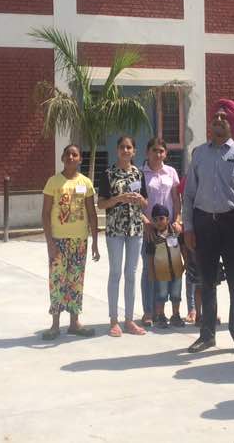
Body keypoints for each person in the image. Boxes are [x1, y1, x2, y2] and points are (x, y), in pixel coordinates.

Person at [182, 98, 234, 357]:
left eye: (224, 117)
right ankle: (207, 335)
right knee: (206, 282)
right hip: (204, 223)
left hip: (232, 224)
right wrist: (189, 227)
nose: (218, 120)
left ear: (233, 123)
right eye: (215, 116)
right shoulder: (199, 154)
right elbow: (189, 194)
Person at [41, 144, 99, 340]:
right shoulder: (53, 182)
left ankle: (74, 322)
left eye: (75, 154)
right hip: (58, 240)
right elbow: (46, 213)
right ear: (62, 158)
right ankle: (55, 325)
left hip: (79, 241)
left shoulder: (85, 183)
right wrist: (50, 242)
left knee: (76, 281)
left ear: (80, 159)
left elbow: (92, 213)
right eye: (68, 154)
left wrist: (95, 242)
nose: (71, 157)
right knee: (57, 281)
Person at [96, 135, 149, 338]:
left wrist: (139, 199)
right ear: (117, 150)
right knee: (116, 273)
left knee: (131, 274)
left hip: (135, 230)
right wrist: (119, 198)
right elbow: (101, 204)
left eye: (129, 147)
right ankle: (113, 320)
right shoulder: (108, 173)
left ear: (134, 151)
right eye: (122, 147)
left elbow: (146, 203)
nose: (125, 151)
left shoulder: (139, 174)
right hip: (115, 230)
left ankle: (129, 320)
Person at [139, 137, 181, 327]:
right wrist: (146, 222)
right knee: (150, 270)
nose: (158, 154)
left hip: (170, 230)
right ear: (147, 152)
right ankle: (148, 311)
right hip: (148, 230)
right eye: (154, 150)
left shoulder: (171, 172)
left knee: (169, 270)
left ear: (166, 153)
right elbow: (136, 202)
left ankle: (167, 312)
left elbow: (176, 198)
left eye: (161, 151)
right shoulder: (140, 174)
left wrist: (178, 220)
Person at [145, 203, 186, 327]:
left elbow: (183, 248)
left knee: (176, 294)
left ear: (168, 219)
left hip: (177, 270)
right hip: (161, 273)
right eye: (155, 219)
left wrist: (187, 263)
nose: (159, 222)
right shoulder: (152, 237)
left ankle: (176, 315)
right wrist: (151, 273)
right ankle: (161, 316)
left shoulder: (176, 232)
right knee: (161, 295)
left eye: (162, 218)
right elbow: (150, 257)